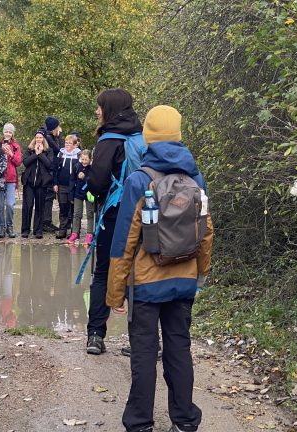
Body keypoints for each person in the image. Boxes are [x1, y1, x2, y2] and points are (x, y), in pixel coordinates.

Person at [107, 105, 213, 432]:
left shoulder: (140, 180)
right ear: (178, 134)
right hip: (183, 281)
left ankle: (140, 422)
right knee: (179, 348)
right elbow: (206, 230)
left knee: (143, 353)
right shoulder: (196, 178)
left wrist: (115, 293)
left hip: (147, 285)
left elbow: (124, 240)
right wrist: (200, 276)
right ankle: (185, 420)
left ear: (149, 138)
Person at [85, 88, 142, 355]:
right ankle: (142, 341)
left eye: (99, 107)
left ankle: (96, 335)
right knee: (136, 274)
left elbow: (96, 182)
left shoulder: (108, 140)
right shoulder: (142, 136)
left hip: (114, 214)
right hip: (142, 216)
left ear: (109, 109)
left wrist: (90, 190)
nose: (97, 111)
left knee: (103, 273)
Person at [20, 130, 54, 239]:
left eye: (40, 137)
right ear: (34, 139)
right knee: (28, 206)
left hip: (41, 183)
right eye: (37, 137)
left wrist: (40, 154)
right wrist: (35, 154)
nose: (38, 139)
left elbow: (49, 164)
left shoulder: (49, 151)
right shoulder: (29, 150)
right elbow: (25, 162)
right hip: (29, 183)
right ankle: (25, 230)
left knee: (40, 207)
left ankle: (38, 230)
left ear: (43, 139)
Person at [54, 134, 81, 239]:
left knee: (73, 209)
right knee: (63, 208)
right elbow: (55, 169)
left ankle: (75, 232)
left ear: (75, 145)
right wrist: (55, 183)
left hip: (74, 187)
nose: (67, 145)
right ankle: (62, 230)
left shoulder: (79, 155)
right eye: (66, 143)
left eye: (70, 143)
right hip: (62, 185)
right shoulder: (60, 154)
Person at [0, 123, 22, 238]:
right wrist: (1, 151)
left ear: (12, 134)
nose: (8, 134)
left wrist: (11, 154)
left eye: (10, 132)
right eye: (6, 131)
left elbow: (18, 162)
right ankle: (1, 227)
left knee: (10, 204)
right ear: (3, 132)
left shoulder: (16, 146)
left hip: (11, 179)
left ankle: (10, 226)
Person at [41, 116, 62, 233]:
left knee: (49, 197)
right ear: (54, 127)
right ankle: (45, 222)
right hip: (49, 171)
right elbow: (59, 150)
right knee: (48, 197)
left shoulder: (50, 137)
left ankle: (47, 221)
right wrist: (59, 136)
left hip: (52, 170)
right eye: (57, 126)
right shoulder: (49, 138)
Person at [68, 149, 94, 245]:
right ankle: (75, 233)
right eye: (82, 159)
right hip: (78, 193)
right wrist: (70, 194)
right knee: (76, 214)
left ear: (90, 159)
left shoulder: (93, 168)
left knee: (90, 214)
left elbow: (94, 181)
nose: (83, 161)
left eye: (86, 159)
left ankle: (89, 234)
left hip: (89, 193)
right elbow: (72, 180)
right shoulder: (76, 166)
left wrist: (85, 177)